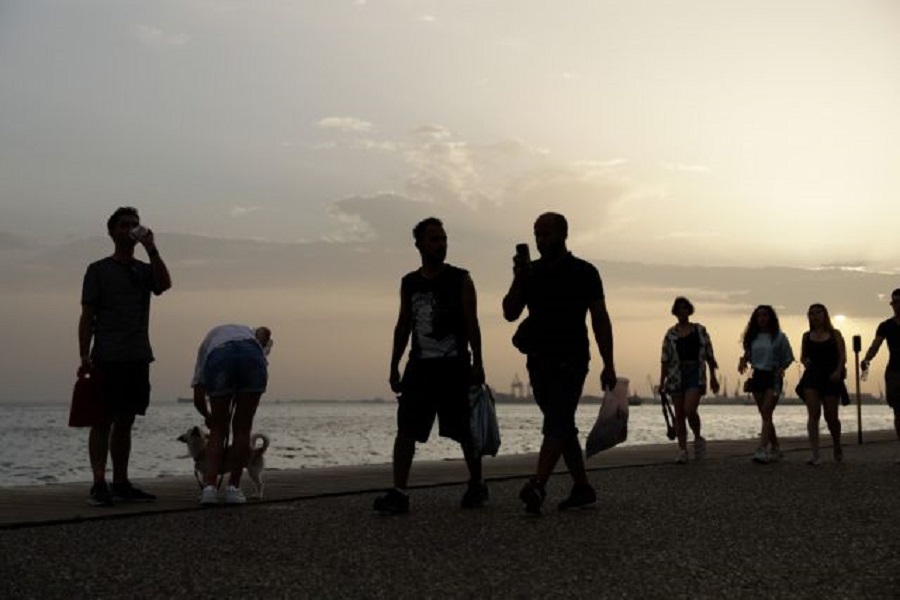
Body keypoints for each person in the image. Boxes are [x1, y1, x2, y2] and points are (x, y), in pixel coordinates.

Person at [502, 212, 616, 514]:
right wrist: (519, 278)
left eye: (546, 233)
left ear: (563, 234)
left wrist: (609, 362)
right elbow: (510, 312)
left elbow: (600, 318)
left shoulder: (585, 272)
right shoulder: (531, 272)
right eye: (536, 234)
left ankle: (538, 484)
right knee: (561, 423)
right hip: (538, 360)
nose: (540, 240)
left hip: (572, 358)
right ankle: (582, 488)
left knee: (557, 418)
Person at [374, 217, 487, 514]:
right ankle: (399, 492)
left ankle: (476, 483)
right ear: (420, 244)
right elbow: (403, 325)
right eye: (435, 239)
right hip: (420, 367)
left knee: (464, 429)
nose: (441, 245)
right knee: (407, 428)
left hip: (454, 366)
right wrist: (394, 364)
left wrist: (478, 362)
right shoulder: (410, 283)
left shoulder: (461, 279)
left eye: (444, 239)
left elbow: (472, 323)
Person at [78, 206, 172, 506]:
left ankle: (121, 482)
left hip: (137, 354)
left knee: (126, 421)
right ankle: (98, 483)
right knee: (102, 420)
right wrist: (84, 353)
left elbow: (165, 285)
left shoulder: (143, 270)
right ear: (111, 231)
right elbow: (87, 315)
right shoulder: (98, 270)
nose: (130, 229)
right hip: (107, 355)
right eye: (124, 225)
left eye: (135, 224)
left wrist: (152, 249)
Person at [191, 324, 273, 505]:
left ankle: (209, 490)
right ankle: (233, 489)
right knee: (243, 428)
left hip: (219, 357)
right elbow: (266, 331)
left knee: (218, 430)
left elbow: (198, 397)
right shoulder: (251, 336)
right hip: (252, 358)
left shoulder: (208, 345)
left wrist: (208, 416)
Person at [659, 297, 720, 464]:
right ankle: (682, 450)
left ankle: (698, 439)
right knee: (679, 414)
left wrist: (714, 377)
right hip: (675, 375)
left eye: (685, 308)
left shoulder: (700, 330)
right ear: (675, 312)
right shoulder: (670, 334)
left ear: (689, 310)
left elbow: (709, 355)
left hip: (695, 373)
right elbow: (664, 359)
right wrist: (662, 382)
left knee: (689, 409)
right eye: (679, 309)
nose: (682, 312)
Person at [738, 305, 794, 464]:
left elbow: (788, 357)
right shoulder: (752, 338)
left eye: (765, 315)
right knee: (765, 415)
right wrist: (743, 360)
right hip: (758, 376)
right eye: (759, 316)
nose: (762, 318)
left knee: (767, 410)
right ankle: (776, 447)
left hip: (773, 376)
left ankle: (762, 448)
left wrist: (781, 368)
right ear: (755, 319)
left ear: (771, 318)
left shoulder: (779, 337)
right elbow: (749, 355)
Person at [798, 304, 846, 465]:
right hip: (812, 376)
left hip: (831, 376)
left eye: (818, 312)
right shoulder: (806, 336)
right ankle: (815, 454)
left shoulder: (835, 334)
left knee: (831, 416)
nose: (815, 316)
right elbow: (803, 357)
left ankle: (837, 444)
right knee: (813, 414)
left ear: (825, 315)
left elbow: (842, 356)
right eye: (811, 313)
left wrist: (838, 372)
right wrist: (806, 362)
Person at [860, 288, 900, 461]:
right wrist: (867, 359)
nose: (896, 306)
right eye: (894, 302)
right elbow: (876, 345)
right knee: (899, 412)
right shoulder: (886, 325)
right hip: (894, 372)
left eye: (899, 302)